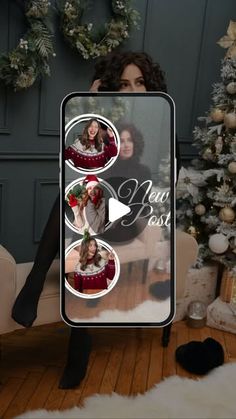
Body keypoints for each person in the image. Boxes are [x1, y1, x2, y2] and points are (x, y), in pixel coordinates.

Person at [11, 51, 173, 389]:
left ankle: (47, 297)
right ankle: (56, 305)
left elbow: (161, 191)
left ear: (151, 85)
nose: (132, 91)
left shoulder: (162, 123)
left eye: (139, 83)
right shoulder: (112, 129)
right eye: (124, 84)